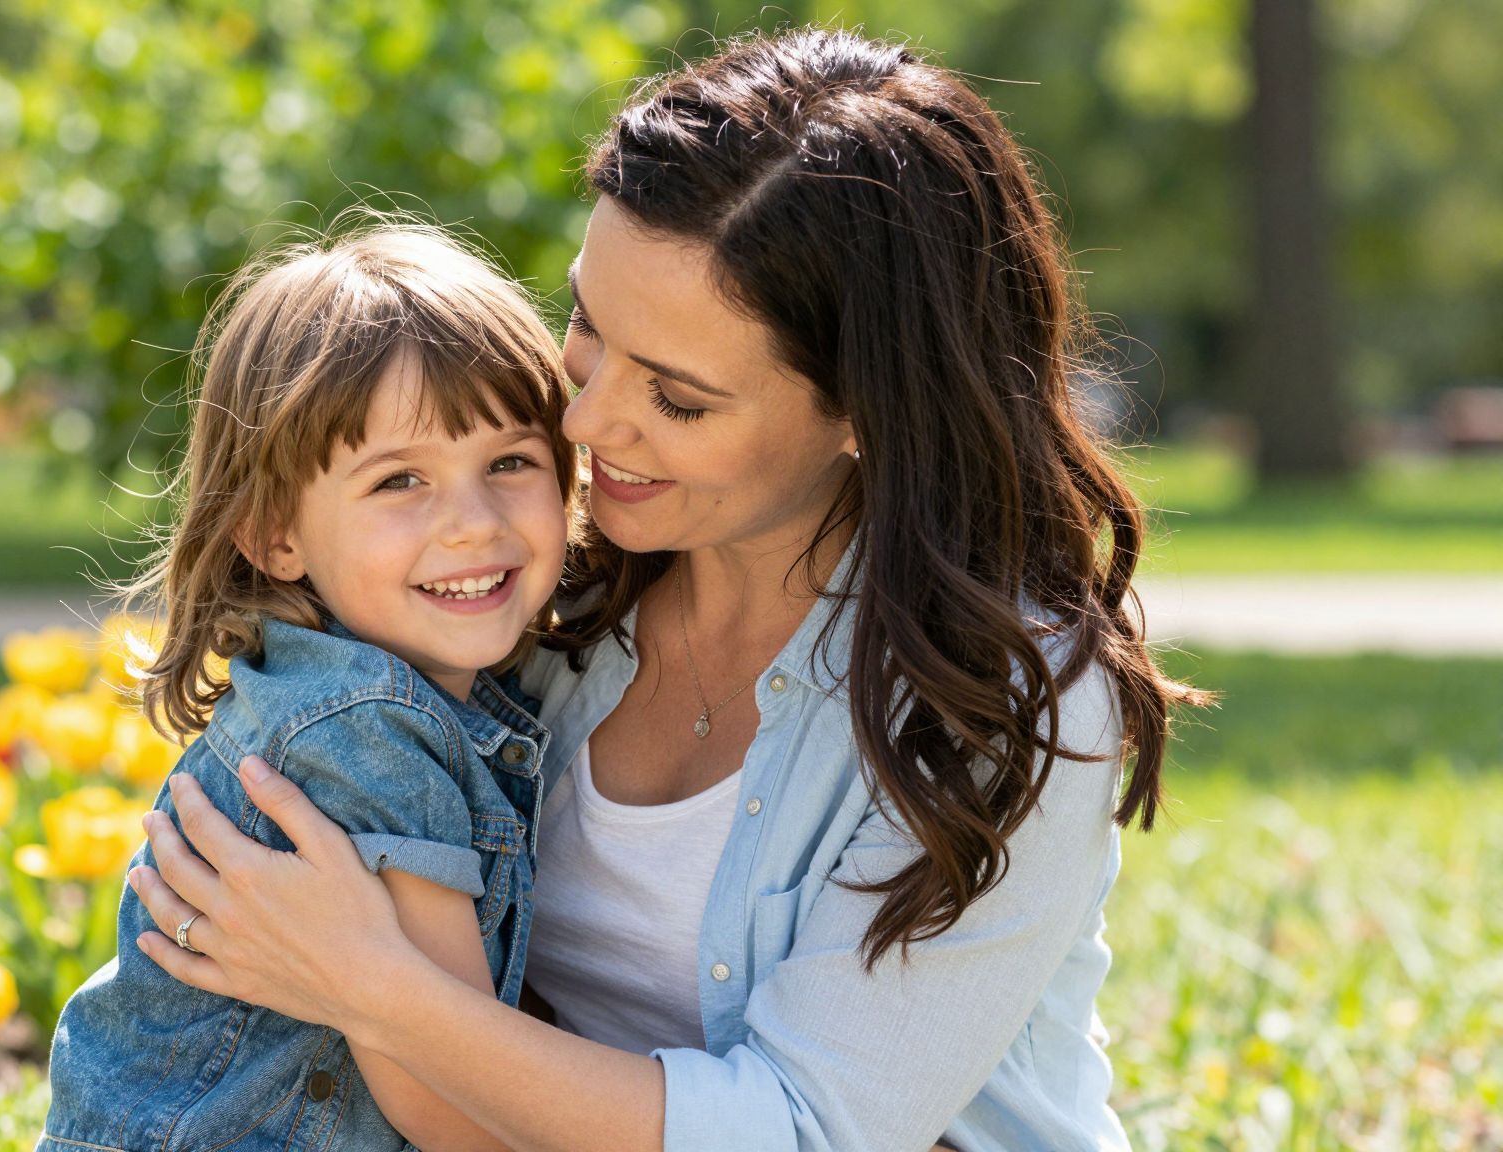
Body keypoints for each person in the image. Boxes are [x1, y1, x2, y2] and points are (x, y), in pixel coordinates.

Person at [125, 26, 1208, 1152]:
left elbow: (805, 1131)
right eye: (589, 325)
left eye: (677, 398)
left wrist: (369, 986)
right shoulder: (525, 597)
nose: (583, 420)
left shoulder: (998, 699)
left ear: (866, 410)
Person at [37, 224, 578, 1151]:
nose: (473, 522)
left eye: (510, 462)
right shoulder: (366, 731)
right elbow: (453, 1105)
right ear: (273, 534)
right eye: (400, 481)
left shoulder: (371, 685)